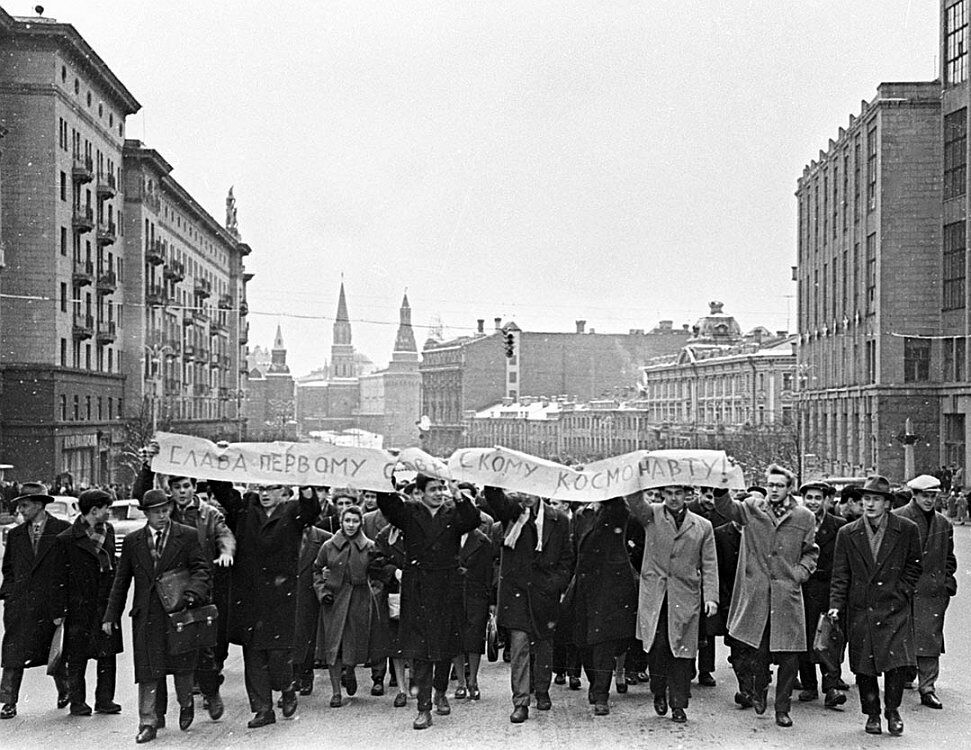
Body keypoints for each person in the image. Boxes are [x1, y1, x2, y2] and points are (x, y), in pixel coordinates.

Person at [713, 464, 818, 728]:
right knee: (758, 651)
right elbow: (727, 508)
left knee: (790, 655)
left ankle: (782, 708)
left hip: (787, 594)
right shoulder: (752, 507)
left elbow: (811, 551)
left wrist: (800, 572)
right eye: (770, 485)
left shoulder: (804, 517)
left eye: (779, 485)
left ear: (789, 488)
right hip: (758, 594)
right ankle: (759, 688)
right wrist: (720, 487)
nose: (773, 490)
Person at [102, 489, 210, 744]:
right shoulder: (133, 541)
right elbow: (121, 581)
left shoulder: (187, 536)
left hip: (178, 612)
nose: (162, 516)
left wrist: (193, 593)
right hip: (147, 614)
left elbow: (201, 570)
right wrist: (110, 615)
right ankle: (147, 721)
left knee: (182, 664)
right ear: (146, 514)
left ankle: (185, 705)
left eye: (165, 510)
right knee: (148, 669)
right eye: (156, 512)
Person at [132, 457, 236, 721]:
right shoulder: (165, 513)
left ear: (194, 487)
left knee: (203, 650)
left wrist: (225, 552)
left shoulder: (209, 513)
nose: (181, 491)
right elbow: (140, 497)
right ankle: (161, 712)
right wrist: (147, 466)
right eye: (176, 487)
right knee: (165, 651)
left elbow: (225, 534)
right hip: (168, 591)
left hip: (200, 587)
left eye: (186, 486)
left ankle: (211, 693)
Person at [377, 474, 479, 730]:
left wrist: (458, 495)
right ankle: (423, 708)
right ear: (420, 492)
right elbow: (388, 506)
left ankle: (441, 693)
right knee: (421, 651)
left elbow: (472, 520)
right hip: (418, 588)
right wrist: (384, 477)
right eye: (432, 489)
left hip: (446, 588)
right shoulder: (410, 513)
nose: (438, 493)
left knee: (444, 646)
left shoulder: (453, 513)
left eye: (441, 488)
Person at [829, 475, 923, 736]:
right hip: (862, 609)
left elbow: (915, 566)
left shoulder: (906, 529)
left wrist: (901, 591)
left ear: (887, 503)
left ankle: (892, 711)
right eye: (866, 499)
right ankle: (871, 714)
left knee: (895, 665)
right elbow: (840, 574)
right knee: (864, 666)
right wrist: (836, 605)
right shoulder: (847, 533)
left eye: (876, 499)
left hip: (894, 608)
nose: (870, 504)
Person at [225, 483, 317, 729]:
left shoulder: (292, 511)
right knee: (253, 655)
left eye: (272, 488)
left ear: (283, 491)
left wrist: (307, 485)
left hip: (280, 595)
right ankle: (263, 709)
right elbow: (225, 494)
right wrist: (221, 463)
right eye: (261, 488)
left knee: (278, 654)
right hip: (251, 595)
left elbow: (311, 510)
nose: (265, 494)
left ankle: (287, 688)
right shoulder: (246, 509)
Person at [482, 486, 573, 724]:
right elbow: (496, 499)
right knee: (520, 644)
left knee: (543, 643)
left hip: (545, 593)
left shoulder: (559, 519)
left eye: (533, 489)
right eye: (523, 489)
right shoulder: (513, 513)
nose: (527, 495)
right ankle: (521, 701)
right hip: (518, 592)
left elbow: (566, 558)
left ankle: (542, 690)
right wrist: (494, 479)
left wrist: (554, 584)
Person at [630, 484, 718, 724]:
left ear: (687, 495)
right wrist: (636, 477)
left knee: (682, 651)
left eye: (678, 493)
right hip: (656, 595)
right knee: (657, 648)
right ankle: (659, 691)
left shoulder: (702, 526)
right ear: (662, 495)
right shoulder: (652, 515)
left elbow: (709, 565)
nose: (673, 498)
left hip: (685, 597)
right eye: (668, 493)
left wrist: (711, 596)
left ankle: (679, 704)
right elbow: (634, 501)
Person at [0, 482, 71, 719]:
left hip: (50, 604)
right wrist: (9, 593)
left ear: (40, 505)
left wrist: (63, 604)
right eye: (19, 505)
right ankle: (8, 702)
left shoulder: (62, 530)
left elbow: (68, 569)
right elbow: (8, 568)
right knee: (13, 654)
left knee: (55, 652)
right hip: (20, 604)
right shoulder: (15, 535)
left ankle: (65, 691)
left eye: (25, 505)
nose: (21, 510)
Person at [52, 489, 123, 716]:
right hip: (78, 606)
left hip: (104, 604)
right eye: (106, 509)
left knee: (107, 654)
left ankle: (105, 700)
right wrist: (60, 610)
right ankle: (78, 702)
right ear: (94, 511)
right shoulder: (67, 539)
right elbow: (59, 579)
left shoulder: (108, 532)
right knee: (77, 657)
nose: (109, 513)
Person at [569, 497, 638, 717]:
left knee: (603, 642)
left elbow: (620, 508)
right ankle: (594, 682)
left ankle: (601, 694)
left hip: (610, 586)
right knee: (582, 640)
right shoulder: (581, 515)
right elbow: (574, 549)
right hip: (584, 584)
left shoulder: (616, 510)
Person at [313, 505, 384, 708]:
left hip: (359, 600)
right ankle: (336, 692)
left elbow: (379, 572)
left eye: (355, 521)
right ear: (341, 522)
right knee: (333, 646)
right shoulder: (328, 546)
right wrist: (322, 592)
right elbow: (317, 571)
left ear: (361, 523)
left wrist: (374, 593)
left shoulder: (370, 546)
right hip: (333, 600)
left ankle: (350, 670)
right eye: (347, 521)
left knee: (355, 644)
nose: (351, 525)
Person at [896, 474, 957, 710]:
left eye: (933, 496)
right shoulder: (899, 518)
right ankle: (904, 675)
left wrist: (947, 582)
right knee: (903, 635)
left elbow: (949, 558)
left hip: (933, 591)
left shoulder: (944, 524)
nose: (930, 500)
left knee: (930, 638)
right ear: (915, 495)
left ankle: (928, 687)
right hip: (906, 590)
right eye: (925, 496)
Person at [796, 480, 847, 708]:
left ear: (826, 500)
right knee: (804, 637)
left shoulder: (839, 526)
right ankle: (809, 685)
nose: (813, 502)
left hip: (828, 588)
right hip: (803, 588)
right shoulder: (796, 523)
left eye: (818, 498)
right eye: (809, 498)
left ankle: (831, 687)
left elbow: (843, 563)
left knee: (829, 637)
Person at [686, 485, 731, 687]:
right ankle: (687, 667)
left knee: (709, 626)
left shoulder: (722, 514)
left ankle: (706, 669)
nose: (710, 501)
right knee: (686, 625)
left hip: (711, 573)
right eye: (707, 496)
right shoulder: (688, 512)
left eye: (713, 497)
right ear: (700, 494)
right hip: (688, 574)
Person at [451, 512, 495, 701]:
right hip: (452, 595)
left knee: (475, 639)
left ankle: (473, 681)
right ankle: (460, 682)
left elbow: (488, 573)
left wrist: (491, 601)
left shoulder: (482, 541)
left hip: (476, 595)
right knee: (455, 638)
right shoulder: (448, 538)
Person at [292, 523, 332, 696]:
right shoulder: (283, 535)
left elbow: (334, 559)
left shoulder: (324, 538)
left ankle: (306, 675)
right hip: (286, 594)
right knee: (288, 638)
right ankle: (292, 678)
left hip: (309, 595)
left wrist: (327, 574)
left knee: (306, 637)